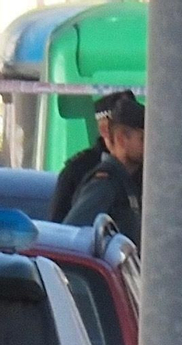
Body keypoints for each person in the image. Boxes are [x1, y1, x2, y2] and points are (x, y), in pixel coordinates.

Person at [62, 89, 145, 244]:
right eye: (142, 139)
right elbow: (71, 236)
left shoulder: (126, 180)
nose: (147, 146)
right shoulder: (105, 184)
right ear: (121, 139)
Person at [48, 89, 137, 222]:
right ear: (104, 129)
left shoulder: (142, 166)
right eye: (125, 131)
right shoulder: (79, 170)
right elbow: (61, 227)